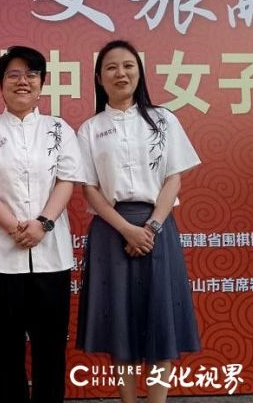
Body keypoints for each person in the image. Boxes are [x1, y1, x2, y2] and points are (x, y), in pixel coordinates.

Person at [76, 40, 201, 403]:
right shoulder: (90, 129)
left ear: (139, 72)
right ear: (99, 78)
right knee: (121, 324)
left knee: (161, 321)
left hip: (158, 227)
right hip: (111, 229)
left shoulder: (163, 120)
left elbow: (174, 178)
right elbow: (90, 189)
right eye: (111, 67)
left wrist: (152, 227)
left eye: (128, 66)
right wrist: (127, 230)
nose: (121, 73)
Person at [0, 46, 84, 403]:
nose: (22, 82)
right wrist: (14, 226)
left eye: (31, 75)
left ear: (42, 84)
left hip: (51, 256)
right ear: (1, 84)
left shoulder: (58, 129)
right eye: (13, 75)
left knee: (50, 348)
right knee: (4, 349)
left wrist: (43, 223)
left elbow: (66, 180)